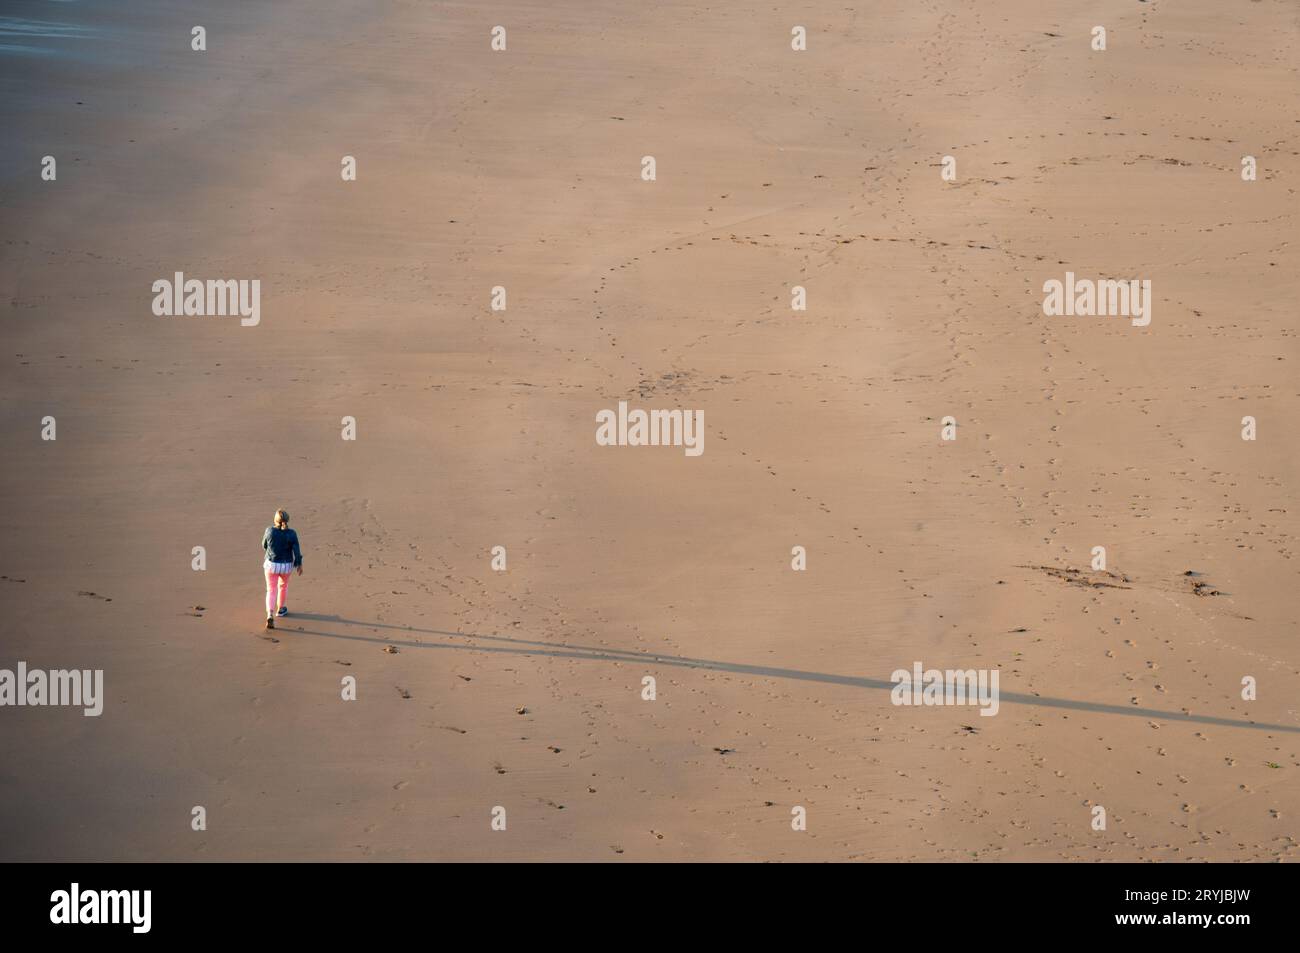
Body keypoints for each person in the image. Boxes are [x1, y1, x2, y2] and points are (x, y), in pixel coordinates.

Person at [261, 508, 302, 629]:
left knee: (271, 590)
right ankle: (281, 609)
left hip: (271, 565)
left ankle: (270, 614)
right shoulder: (292, 533)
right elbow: (296, 550)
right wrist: (299, 564)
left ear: (275, 520)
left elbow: (264, 545)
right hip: (286, 566)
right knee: (283, 587)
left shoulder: (269, 531)